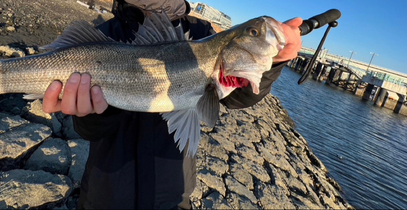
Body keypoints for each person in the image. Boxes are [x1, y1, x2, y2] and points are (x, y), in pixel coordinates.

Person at [42, 0, 302, 209]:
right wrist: (90, 114)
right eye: (253, 33)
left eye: (253, 33)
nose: (256, 34)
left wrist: (273, 63)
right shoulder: (104, 35)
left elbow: (237, 97)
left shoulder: (200, 34)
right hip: (105, 189)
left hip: (171, 192)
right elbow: (88, 130)